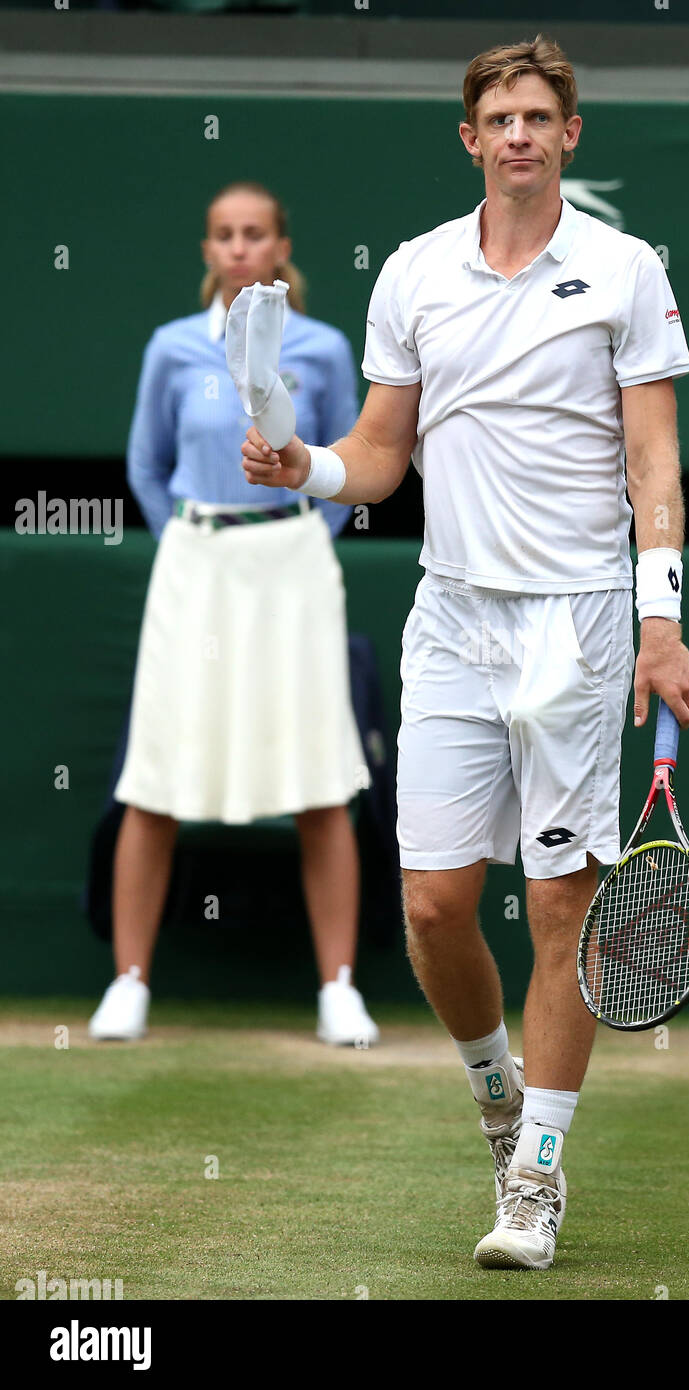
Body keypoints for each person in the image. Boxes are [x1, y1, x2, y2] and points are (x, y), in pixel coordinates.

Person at [241, 34, 689, 1269]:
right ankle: (495, 1094)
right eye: (496, 116)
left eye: (536, 116)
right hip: (450, 620)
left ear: (568, 135)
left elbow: (651, 461)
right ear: (468, 137)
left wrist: (660, 620)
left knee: (560, 905)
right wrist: (312, 469)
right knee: (436, 908)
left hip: (580, 624)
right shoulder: (413, 274)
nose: (515, 134)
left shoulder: (623, 271)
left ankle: (535, 1180)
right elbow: (383, 454)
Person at [89, 181, 378, 1048]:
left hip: (293, 563)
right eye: (224, 234)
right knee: (156, 777)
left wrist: (297, 537)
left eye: (255, 233)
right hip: (195, 565)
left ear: (281, 244)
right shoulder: (170, 348)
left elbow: (344, 461)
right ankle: (129, 983)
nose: (241, 247)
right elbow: (147, 466)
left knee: (321, 779)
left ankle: (338, 989)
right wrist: (198, 540)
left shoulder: (322, 348)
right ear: (208, 249)